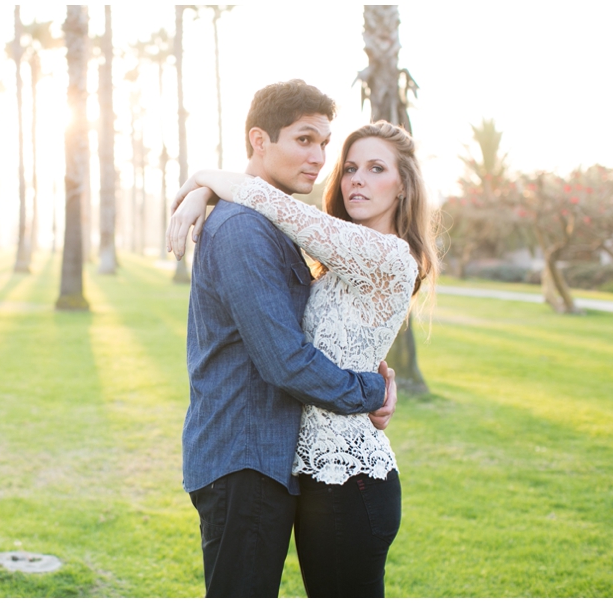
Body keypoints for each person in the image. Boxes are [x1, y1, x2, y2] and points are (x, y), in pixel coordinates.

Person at [168, 118, 440, 597]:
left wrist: (201, 181)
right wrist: (203, 192)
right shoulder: (338, 259)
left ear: (403, 187)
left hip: (351, 476)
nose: (357, 178)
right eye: (351, 167)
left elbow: (274, 205)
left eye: (377, 169)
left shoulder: (390, 256)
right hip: (312, 476)